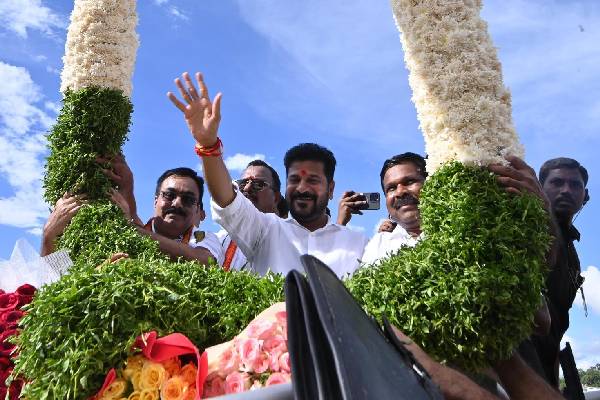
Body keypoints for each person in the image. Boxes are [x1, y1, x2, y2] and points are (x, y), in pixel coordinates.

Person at [167, 71, 368, 277]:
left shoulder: (360, 244)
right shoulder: (266, 230)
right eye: (295, 179)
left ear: (331, 188)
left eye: (313, 180)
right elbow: (227, 200)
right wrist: (208, 146)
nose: (302, 188)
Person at [41, 156, 219, 265]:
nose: (177, 203)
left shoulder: (205, 239)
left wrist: (128, 229)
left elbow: (204, 262)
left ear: (197, 209)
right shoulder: (111, 233)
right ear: (155, 200)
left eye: (188, 199)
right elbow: (60, 278)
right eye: (169, 195)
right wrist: (49, 238)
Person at [530, 157, 589, 388]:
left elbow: (558, 319)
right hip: (514, 363)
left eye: (575, 185)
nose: (566, 190)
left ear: (585, 196)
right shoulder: (524, 226)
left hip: (546, 365)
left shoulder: (572, 251)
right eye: (557, 183)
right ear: (540, 187)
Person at [214, 159, 286, 271]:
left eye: (258, 185)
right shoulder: (219, 239)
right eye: (243, 183)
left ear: (275, 197)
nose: (247, 188)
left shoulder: (287, 238)